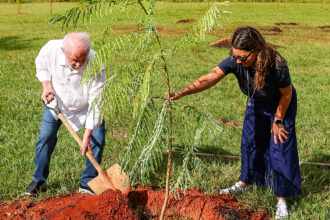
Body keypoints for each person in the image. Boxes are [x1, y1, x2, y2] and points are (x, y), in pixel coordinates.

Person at [167, 27, 301, 219]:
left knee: (279, 146)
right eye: (234, 56)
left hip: (280, 103)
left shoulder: (276, 65)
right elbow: (210, 77)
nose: (237, 61)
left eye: (242, 57)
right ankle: (247, 182)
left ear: (256, 51)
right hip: (256, 100)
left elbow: (286, 94)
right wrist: (181, 92)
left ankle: (282, 200)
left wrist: (278, 120)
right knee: (250, 141)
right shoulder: (236, 60)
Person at [25, 32, 106, 196]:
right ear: (63, 51)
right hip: (56, 103)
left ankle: (88, 182)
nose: (78, 64)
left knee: (97, 139)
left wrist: (88, 133)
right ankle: (38, 180)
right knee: (45, 137)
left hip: (86, 107)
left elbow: (97, 101)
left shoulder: (96, 63)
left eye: (82, 60)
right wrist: (46, 86)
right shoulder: (51, 49)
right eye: (74, 59)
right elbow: (41, 65)